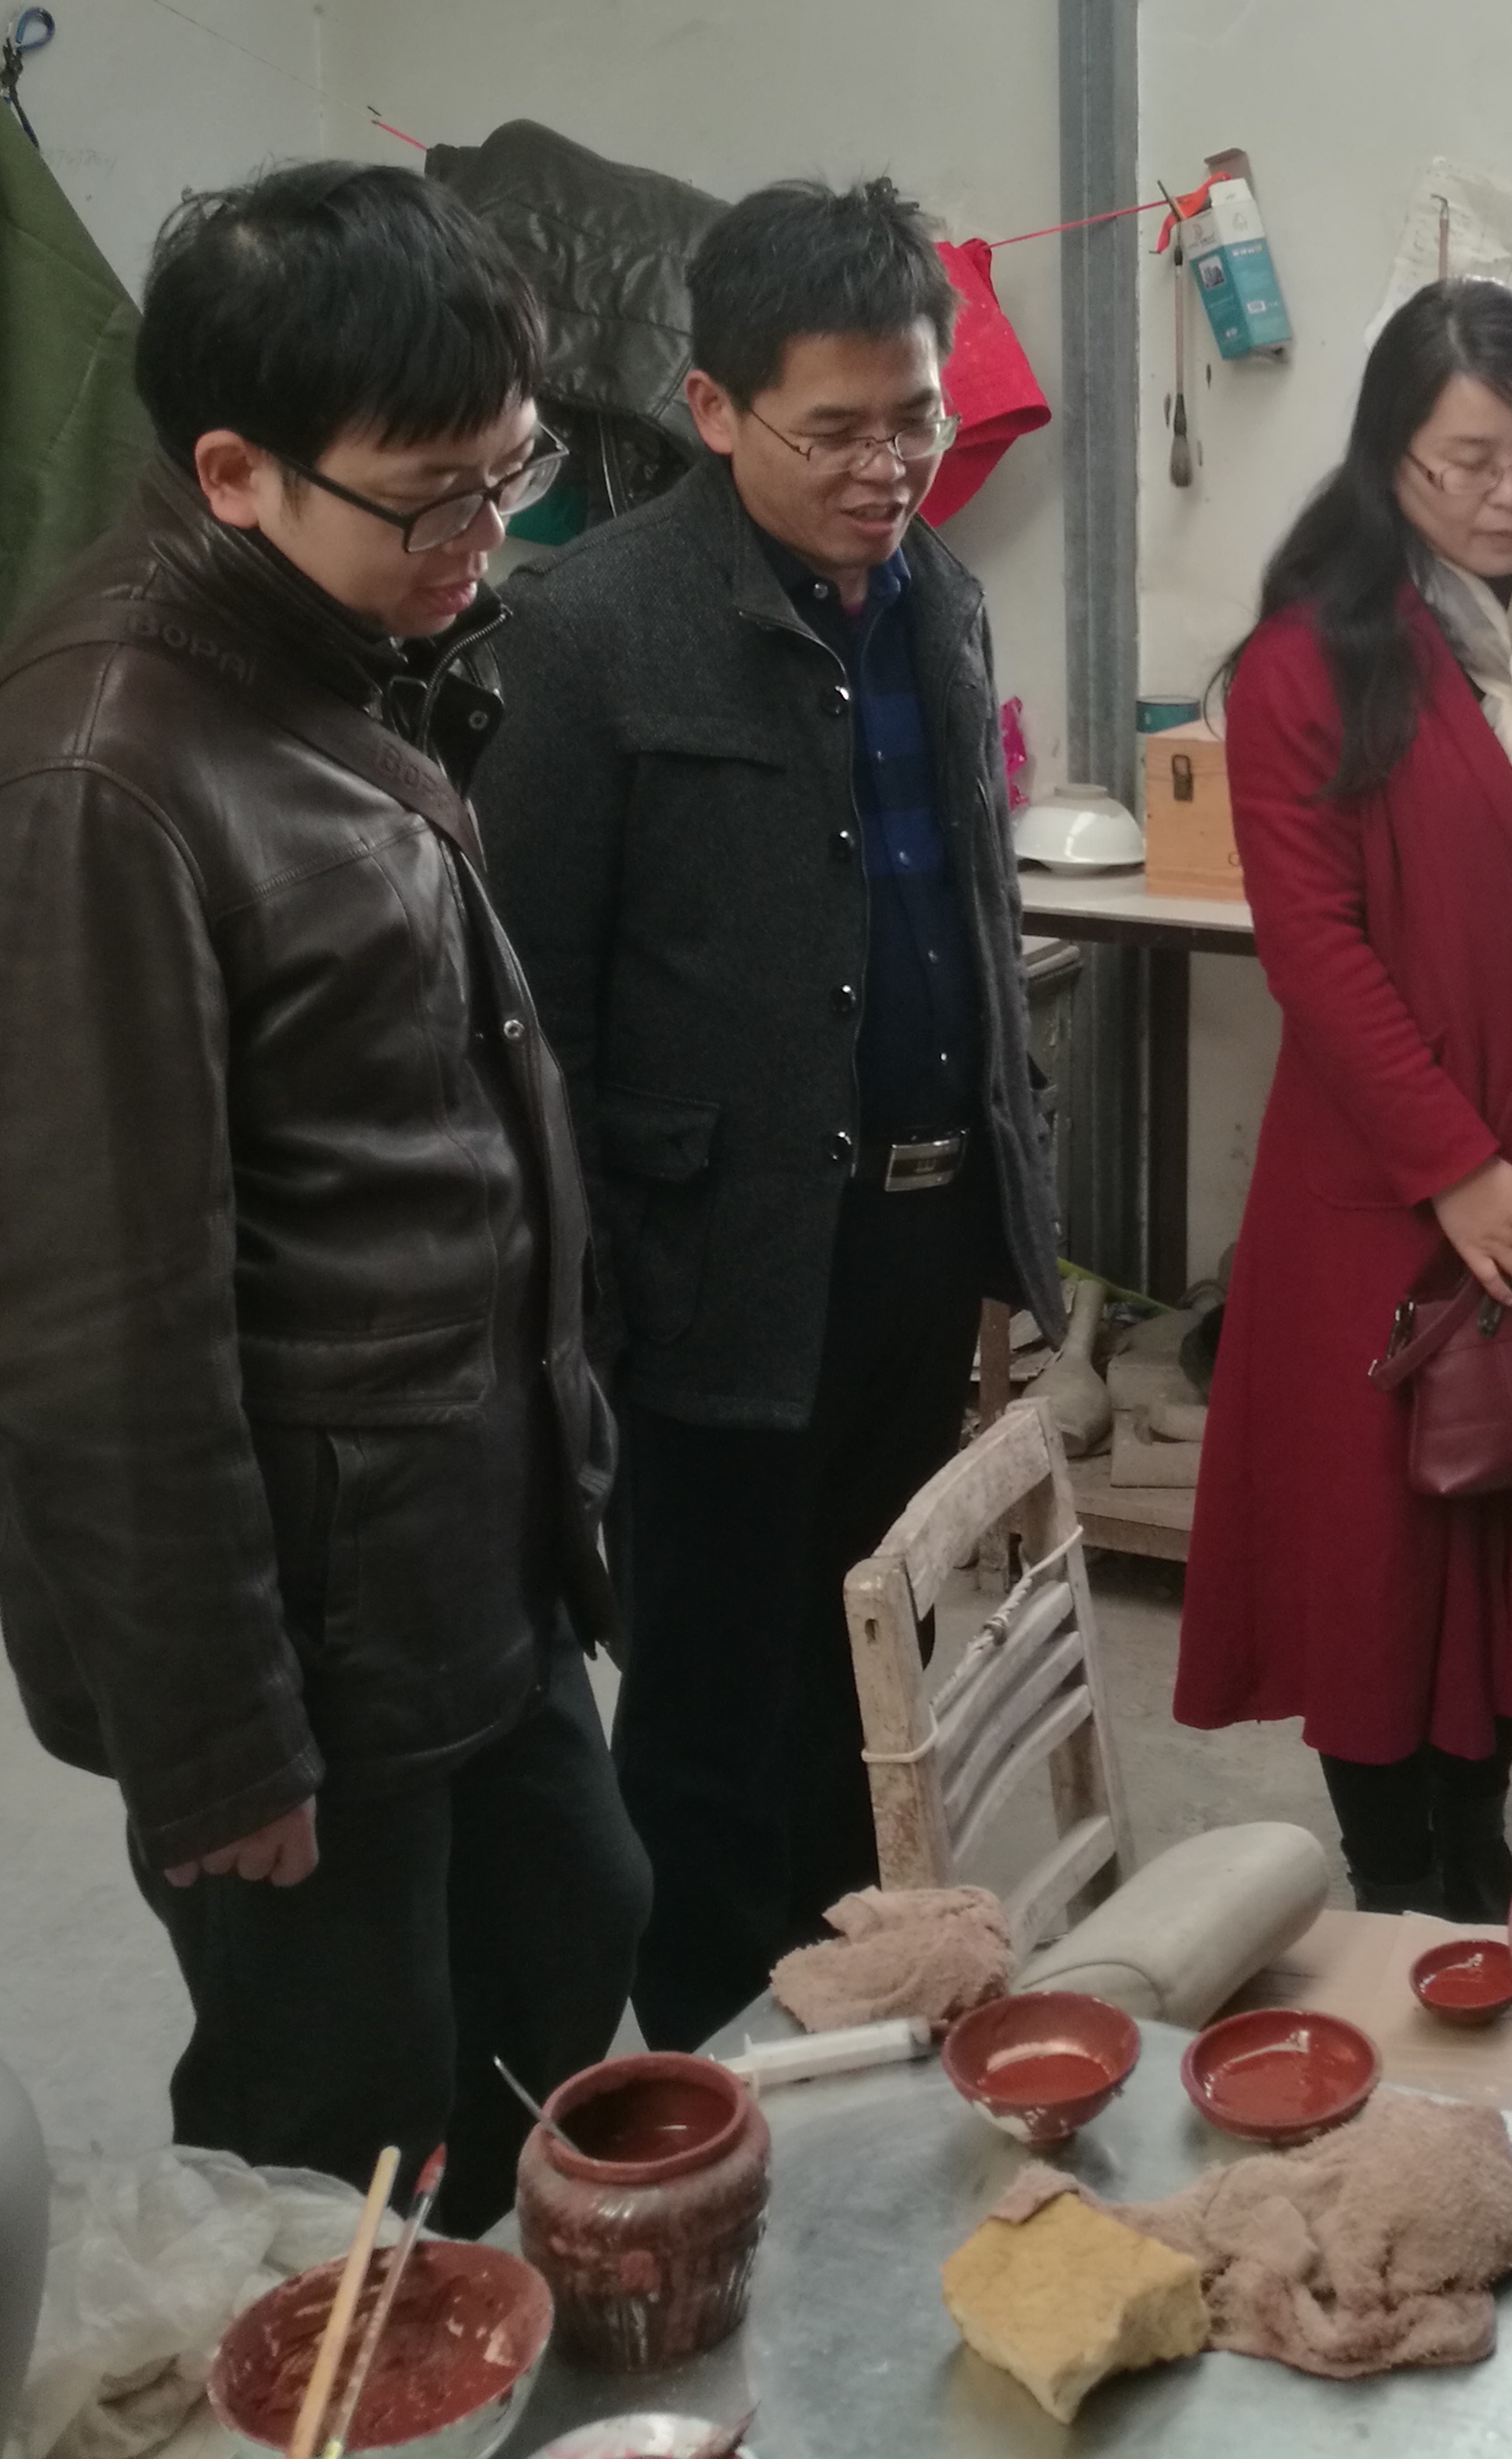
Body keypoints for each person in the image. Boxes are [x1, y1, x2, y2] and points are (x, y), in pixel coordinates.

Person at [0, 162, 641, 2228]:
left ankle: (503, 2338)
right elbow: (80, 1323)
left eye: (510, 471)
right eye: (433, 497)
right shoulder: (93, 784)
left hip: (456, 1543)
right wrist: (217, 1745)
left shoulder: (326, 651)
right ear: (231, 471)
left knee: (570, 1933)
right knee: (341, 2105)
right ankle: (340, 2365)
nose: (486, 537)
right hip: (303, 1610)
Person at [477, 176, 1063, 2052]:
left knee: (867, 1659)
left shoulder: (940, 598)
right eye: (836, 430)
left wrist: (1009, 1187)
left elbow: (971, 907)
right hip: (708, 1266)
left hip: (913, 1238)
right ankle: (714, 2071)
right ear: (714, 407)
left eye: (916, 418)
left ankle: (850, 2021)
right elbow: (534, 1009)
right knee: (713, 1701)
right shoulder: (587, 630)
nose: (887, 468)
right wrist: (586, 1307)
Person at [1173, 281, 1512, 1918]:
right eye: (1464, 462)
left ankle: (1472, 1853)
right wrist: (1453, 1163)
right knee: (1374, 1552)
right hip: (1389, 1186)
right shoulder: (1307, 665)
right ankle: (1388, 1870)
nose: (1509, 494)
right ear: (1386, 457)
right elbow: (1315, 949)